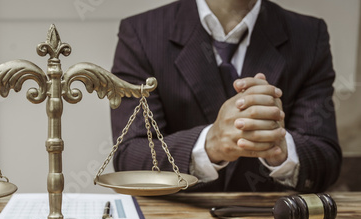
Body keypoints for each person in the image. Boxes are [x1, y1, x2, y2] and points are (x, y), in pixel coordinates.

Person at [110, 0, 342, 192]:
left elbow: (326, 163)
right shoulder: (142, 33)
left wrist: (281, 148)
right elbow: (130, 158)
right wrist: (210, 144)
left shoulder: (309, 36)